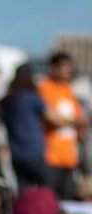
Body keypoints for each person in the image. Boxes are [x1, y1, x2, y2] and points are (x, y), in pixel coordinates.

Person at [1, 63, 68, 191]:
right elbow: (54, 119)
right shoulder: (32, 97)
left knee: (23, 188)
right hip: (33, 152)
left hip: (15, 153)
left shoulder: (8, 100)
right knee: (48, 185)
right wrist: (74, 120)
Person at [38, 52, 87, 201]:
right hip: (50, 156)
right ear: (53, 68)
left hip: (69, 156)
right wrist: (73, 121)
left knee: (67, 198)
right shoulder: (44, 88)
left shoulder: (68, 89)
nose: (68, 71)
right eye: (64, 67)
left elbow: (82, 119)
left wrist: (72, 122)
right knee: (49, 198)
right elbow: (53, 119)